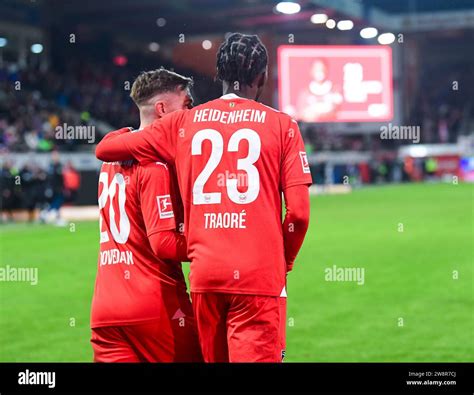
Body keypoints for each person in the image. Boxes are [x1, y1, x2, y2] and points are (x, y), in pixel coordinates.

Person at [95, 33, 312, 362]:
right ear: (263, 77)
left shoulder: (183, 122)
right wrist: (286, 259)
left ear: (219, 75)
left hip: (206, 274)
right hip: (257, 274)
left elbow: (106, 149)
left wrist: (126, 133)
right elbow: (298, 214)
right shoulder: (282, 125)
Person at [90, 68, 202, 362]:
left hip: (106, 308)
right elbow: (163, 244)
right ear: (163, 109)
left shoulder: (111, 159)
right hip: (156, 305)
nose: (190, 113)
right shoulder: (155, 166)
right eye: (187, 105)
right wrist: (210, 244)